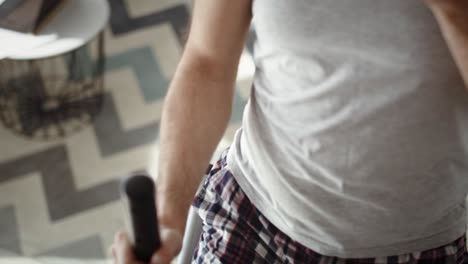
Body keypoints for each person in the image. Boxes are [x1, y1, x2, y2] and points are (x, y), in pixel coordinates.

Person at [111, 0, 468, 263]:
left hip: (420, 247)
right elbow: (207, 62)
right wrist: (168, 214)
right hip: (257, 222)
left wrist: (453, 13)